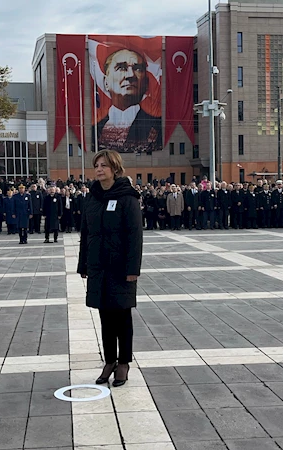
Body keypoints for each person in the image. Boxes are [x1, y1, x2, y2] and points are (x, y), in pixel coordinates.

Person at [77, 150, 143, 387]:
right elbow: (86, 233)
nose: (99, 169)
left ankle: (123, 363)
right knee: (105, 315)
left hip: (121, 267)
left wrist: (132, 268)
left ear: (115, 168)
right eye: (96, 165)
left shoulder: (128, 197)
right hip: (98, 266)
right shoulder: (92, 198)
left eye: (104, 165)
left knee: (122, 315)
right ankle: (109, 360)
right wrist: (83, 263)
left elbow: (135, 236)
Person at [96, 49, 162, 153]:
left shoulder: (158, 127)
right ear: (106, 82)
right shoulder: (95, 130)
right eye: (121, 68)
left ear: (145, 83)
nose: (130, 75)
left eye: (138, 69)